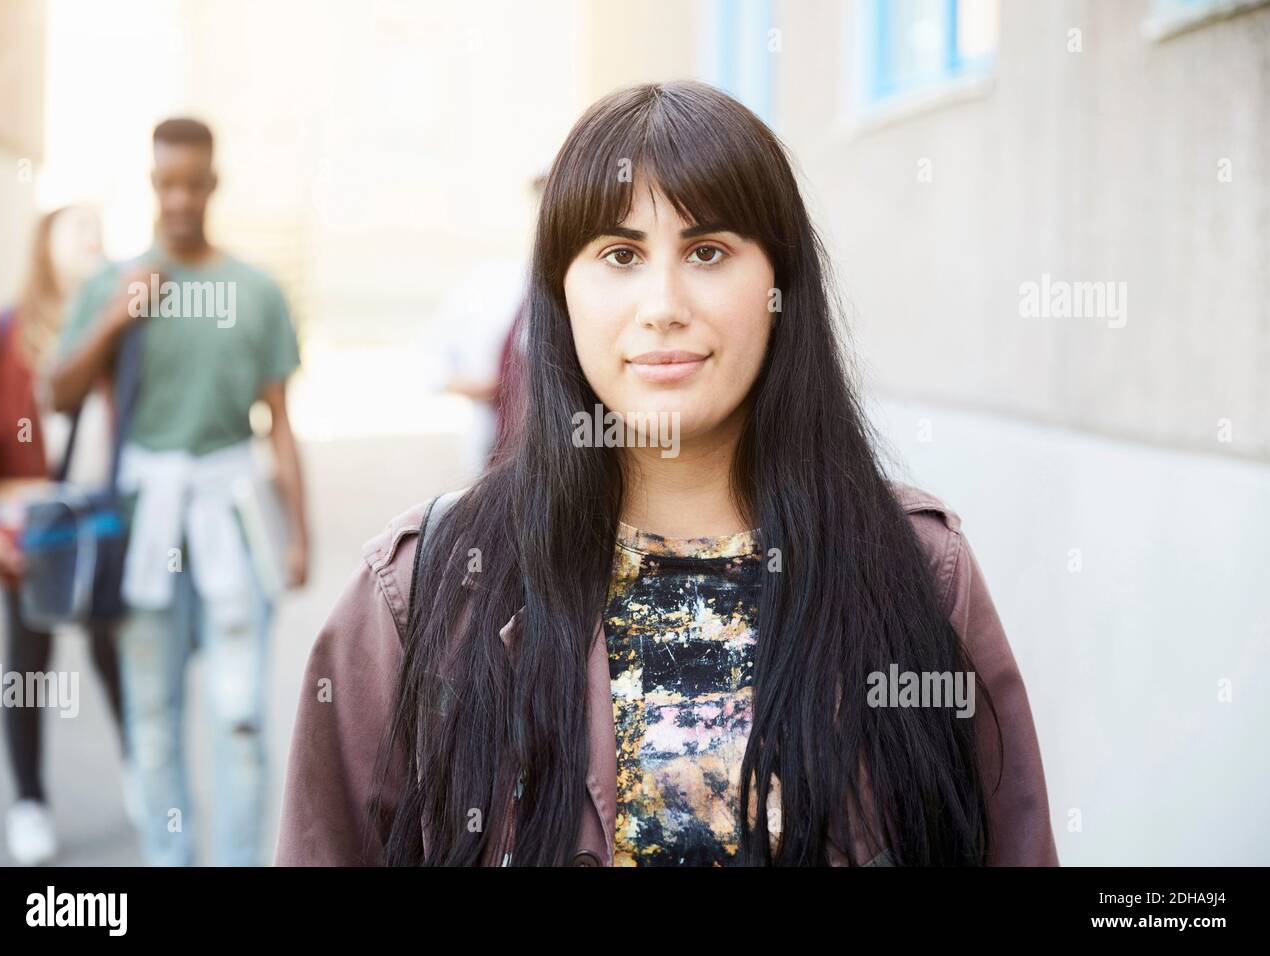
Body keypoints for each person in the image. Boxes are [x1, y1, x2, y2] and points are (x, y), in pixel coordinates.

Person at [275, 81, 1059, 867]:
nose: (663, 304)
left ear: (782, 287)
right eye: (620, 255)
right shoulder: (425, 588)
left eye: (708, 252)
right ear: (561, 292)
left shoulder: (919, 570)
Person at [49, 118, 310, 866]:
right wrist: (114, 315)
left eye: (194, 182)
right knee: (154, 720)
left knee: (241, 721)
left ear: (213, 183)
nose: (181, 197)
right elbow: (59, 391)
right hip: (145, 529)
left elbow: (279, 423)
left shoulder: (257, 291)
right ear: (152, 183)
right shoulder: (114, 282)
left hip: (233, 526)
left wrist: (299, 532)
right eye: (168, 183)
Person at [0, 204, 131, 865]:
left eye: (101, 232)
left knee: (113, 649)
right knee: (28, 663)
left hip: (101, 524)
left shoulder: (119, 332)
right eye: (79, 232)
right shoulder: (6, 332)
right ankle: (30, 801)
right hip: (33, 531)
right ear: (45, 246)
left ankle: (141, 770)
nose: (93, 241)